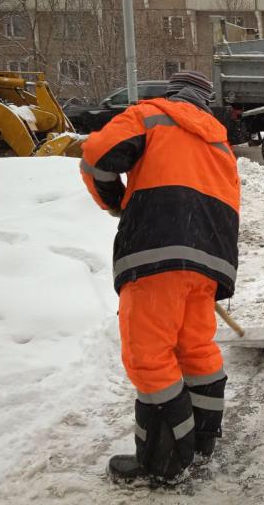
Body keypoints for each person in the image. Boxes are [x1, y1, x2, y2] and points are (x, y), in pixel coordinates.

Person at [79, 71, 240, 484]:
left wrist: (114, 201)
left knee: (148, 358)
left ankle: (163, 461)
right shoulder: (219, 142)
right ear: (205, 102)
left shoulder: (150, 116)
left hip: (156, 252)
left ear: (172, 94)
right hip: (209, 261)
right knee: (195, 348)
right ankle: (201, 441)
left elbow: (96, 156)